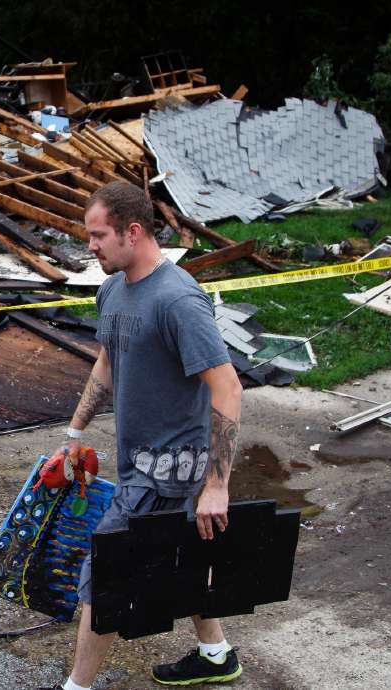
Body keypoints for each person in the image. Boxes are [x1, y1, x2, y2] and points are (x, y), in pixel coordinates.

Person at [50, 182, 244, 689]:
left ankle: (77, 686)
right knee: (181, 555)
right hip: (138, 463)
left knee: (105, 572)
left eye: (98, 235)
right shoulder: (113, 289)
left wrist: (216, 485)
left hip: (170, 469)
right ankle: (216, 654)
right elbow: (107, 362)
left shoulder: (178, 299)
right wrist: (75, 431)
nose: (90, 246)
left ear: (132, 232)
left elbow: (228, 387)